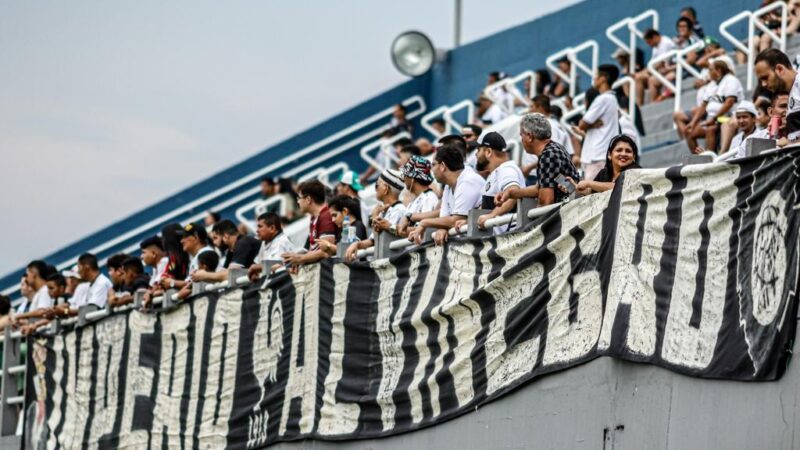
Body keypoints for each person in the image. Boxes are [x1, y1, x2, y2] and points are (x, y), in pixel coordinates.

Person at [408, 145, 484, 246]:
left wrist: (424, 223)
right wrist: (442, 228)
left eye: (433, 165)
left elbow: (455, 220)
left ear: (443, 166)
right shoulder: (448, 185)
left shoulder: (468, 181)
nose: (431, 170)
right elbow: (445, 218)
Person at [502, 113, 580, 206]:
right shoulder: (553, 148)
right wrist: (510, 193)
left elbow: (546, 201)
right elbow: (539, 188)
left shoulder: (548, 155)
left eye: (521, 135)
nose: (521, 140)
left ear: (530, 136)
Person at [345, 169, 407, 261]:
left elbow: (382, 238)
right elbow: (372, 241)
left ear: (385, 189)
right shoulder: (385, 211)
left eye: (377, 185)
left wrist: (374, 216)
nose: (376, 189)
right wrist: (357, 244)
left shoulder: (399, 210)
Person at [470, 132, 526, 234]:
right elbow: (486, 208)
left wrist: (491, 216)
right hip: (502, 240)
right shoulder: (496, 172)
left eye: (478, 150)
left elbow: (513, 194)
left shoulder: (506, 169)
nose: (476, 154)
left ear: (488, 152)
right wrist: (466, 221)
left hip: (511, 239)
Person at [574, 65, 620, 181]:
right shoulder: (612, 98)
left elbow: (582, 124)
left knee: (592, 194)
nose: (594, 79)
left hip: (596, 156)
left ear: (603, 79)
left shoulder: (602, 99)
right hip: (601, 154)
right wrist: (592, 124)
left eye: (596, 76)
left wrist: (588, 124)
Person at [686, 59, 743, 152]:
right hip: (712, 119)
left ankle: (711, 161)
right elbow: (703, 106)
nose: (708, 73)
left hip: (728, 117)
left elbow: (729, 102)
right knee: (689, 132)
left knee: (710, 129)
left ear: (718, 71)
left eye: (710, 70)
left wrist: (714, 119)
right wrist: (693, 122)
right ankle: (700, 159)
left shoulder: (731, 80)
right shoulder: (711, 84)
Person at [281, 180, 338, 270]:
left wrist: (300, 259)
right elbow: (311, 250)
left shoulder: (326, 216)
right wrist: (292, 260)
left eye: (299, 198)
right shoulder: (314, 218)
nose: (298, 202)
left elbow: (326, 252)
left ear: (308, 200)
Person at [754, 48, 800, 145]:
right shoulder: (793, 93)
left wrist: (788, 142)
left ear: (780, 69)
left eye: (765, 78)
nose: (763, 84)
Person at [569, 134, 640, 195]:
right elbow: (591, 191)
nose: (623, 154)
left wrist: (589, 183)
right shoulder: (604, 173)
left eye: (628, 151)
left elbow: (620, 188)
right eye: (619, 150)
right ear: (609, 155)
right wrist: (576, 188)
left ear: (633, 156)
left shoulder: (636, 171)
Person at [397, 155, 439, 238]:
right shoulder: (414, 201)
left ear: (413, 178)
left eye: (406, 175)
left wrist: (391, 228)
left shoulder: (429, 198)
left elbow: (424, 230)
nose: (404, 179)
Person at [248, 212, 299, 280]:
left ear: (272, 228)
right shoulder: (264, 242)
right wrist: (256, 271)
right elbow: (259, 264)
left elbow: (276, 265)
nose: (257, 230)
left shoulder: (282, 241)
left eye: (260, 227)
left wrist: (255, 268)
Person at [635, 29, 677, 105]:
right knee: (637, 78)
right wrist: (642, 72)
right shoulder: (656, 47)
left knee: (650, 79)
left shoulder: (666, 43)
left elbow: (661, 63)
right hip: (660, 71)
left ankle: (653, 104)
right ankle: (639, 106)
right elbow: (652, 64)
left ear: (654, 37)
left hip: (669, 70)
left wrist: (644, 72)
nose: (649, 45)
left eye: (649, 42)